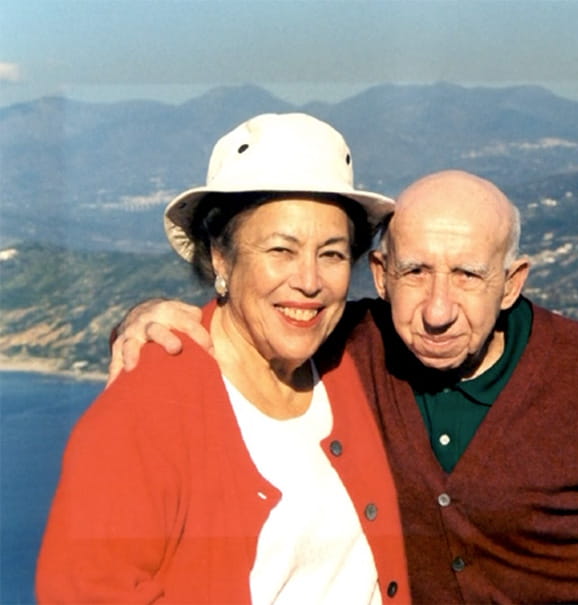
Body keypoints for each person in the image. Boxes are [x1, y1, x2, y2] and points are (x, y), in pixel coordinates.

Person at [109, 170, 578, 603]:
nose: (438, 310)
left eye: (468, 274)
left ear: (512, 282)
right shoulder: (346, 347)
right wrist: (145, 315)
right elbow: (255, 324)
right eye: (416, 272)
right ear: (380, 275)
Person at [36, 113, 410, 604]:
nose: (309, 281)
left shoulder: (357, 359)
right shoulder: (148, 407)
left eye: (333, 254)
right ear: (221, 257)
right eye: (281, 249)